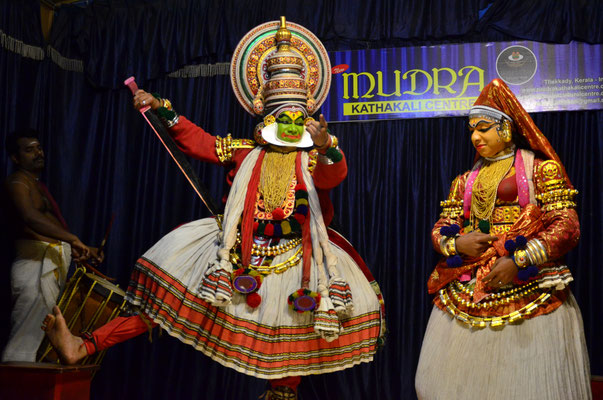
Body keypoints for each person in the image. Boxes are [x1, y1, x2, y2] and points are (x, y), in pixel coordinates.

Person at [43, 18, 385, 400]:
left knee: (298, 336)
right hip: (238, 254)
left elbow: (334, 177)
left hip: (299, 259)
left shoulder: (311, 160)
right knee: (164, 306)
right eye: (283, 118)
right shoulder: (243, 152)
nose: (291, 125)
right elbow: (199, 142)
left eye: (298, 119)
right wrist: (161, 108)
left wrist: (325, 147)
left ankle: (282, 395)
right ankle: (82, 346)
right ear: (266, 117)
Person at [415, 79, 591, 399]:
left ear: (506, 128)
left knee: (528, 383)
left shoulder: (541, 170)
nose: (475, 137)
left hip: (530, 283)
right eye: (471, 130)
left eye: (483, 128)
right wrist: (457, 244)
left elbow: (567, 226)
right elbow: (443, 226)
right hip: (469, 286)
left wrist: (518, 260)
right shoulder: (464, 181)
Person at [2, 128, 102, 362]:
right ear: (16, 158)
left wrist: (79, 246)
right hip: (34, 265)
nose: (38, 153)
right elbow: (29, 217)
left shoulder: (36, 184)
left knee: (40, 340)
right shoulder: (17, 182)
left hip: (48, 264)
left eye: (39, 147)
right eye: (29, 150)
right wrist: (72, 239)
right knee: (25, 338)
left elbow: (49, 226)